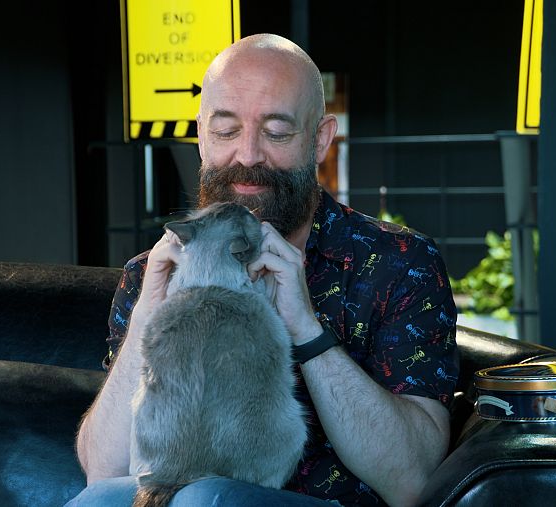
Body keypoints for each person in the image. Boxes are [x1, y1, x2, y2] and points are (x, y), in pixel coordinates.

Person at [70, 33, 459, 507]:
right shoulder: (151, 272)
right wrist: (150, 315)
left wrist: (305, 328)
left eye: (276, 133)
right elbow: (102, 471)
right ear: (200, 137)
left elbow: (412, 481)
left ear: (319, 140)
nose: (249, 156)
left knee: (204, 499)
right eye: (226, 131)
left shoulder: (398, 264)